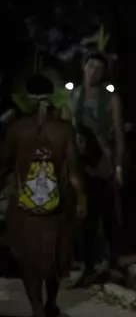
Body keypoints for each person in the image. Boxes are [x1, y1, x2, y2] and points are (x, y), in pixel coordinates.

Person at [0, 74, 86, 317]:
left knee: (29, 260)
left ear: (27, 97)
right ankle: (50, 304)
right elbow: (75, 174)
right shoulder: (64, 131)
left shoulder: (17, 129)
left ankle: (37, 308)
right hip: (57, 207)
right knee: (56, 255)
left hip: (23, 207)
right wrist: (81, 201)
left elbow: (4, 164)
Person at [61, 27, 126, 286]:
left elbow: (119, 134)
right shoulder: (73, 95)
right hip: (79, 163)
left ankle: (111, 264)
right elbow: (65, 129)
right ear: (83, 68)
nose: (94, 71)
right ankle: (87, 265)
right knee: (82, 216)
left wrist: (119, 166)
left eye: (99, 68)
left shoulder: (111, 100)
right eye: (90, 66)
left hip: (103, 164)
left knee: (108, 215)